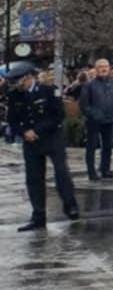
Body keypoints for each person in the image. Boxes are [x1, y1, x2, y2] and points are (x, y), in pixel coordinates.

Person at [17, 69, 78, 231]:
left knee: (61, 171)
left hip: (51, 137)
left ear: (29, 77)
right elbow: (12, 118)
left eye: (20, 80)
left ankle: (69, 203)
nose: (18, 84)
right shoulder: (15, 95)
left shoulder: (49, 91)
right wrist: (23, 132)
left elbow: (58, 115)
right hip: (30, 141)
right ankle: (38, 216)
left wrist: (37, 130)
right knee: (34, 178)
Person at [78, 59, 113, 180]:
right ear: (96, 69)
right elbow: (84, 104)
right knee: (92, 146)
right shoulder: (89, 85)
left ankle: (106, 169)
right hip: (94, 120)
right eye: (100, 66)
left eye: (106, 66)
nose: (103, 68)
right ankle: (91, 172)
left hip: (110, 119)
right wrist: (93, 115)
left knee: (108, 145)